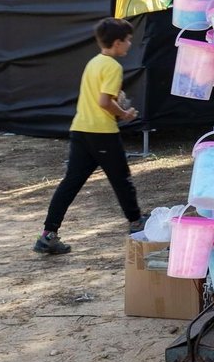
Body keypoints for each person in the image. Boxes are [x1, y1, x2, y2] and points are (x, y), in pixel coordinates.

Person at [35, 17, 143, 255]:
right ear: (116, 43)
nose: (128, 45)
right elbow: (104, 102)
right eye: (127, 41)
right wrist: (124, 114)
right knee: (122, 180)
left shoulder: (93, 62)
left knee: (70, 184)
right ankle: (136, 223)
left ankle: (48, 235)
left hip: (80, 130)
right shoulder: (113, 67)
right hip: (101, 133)